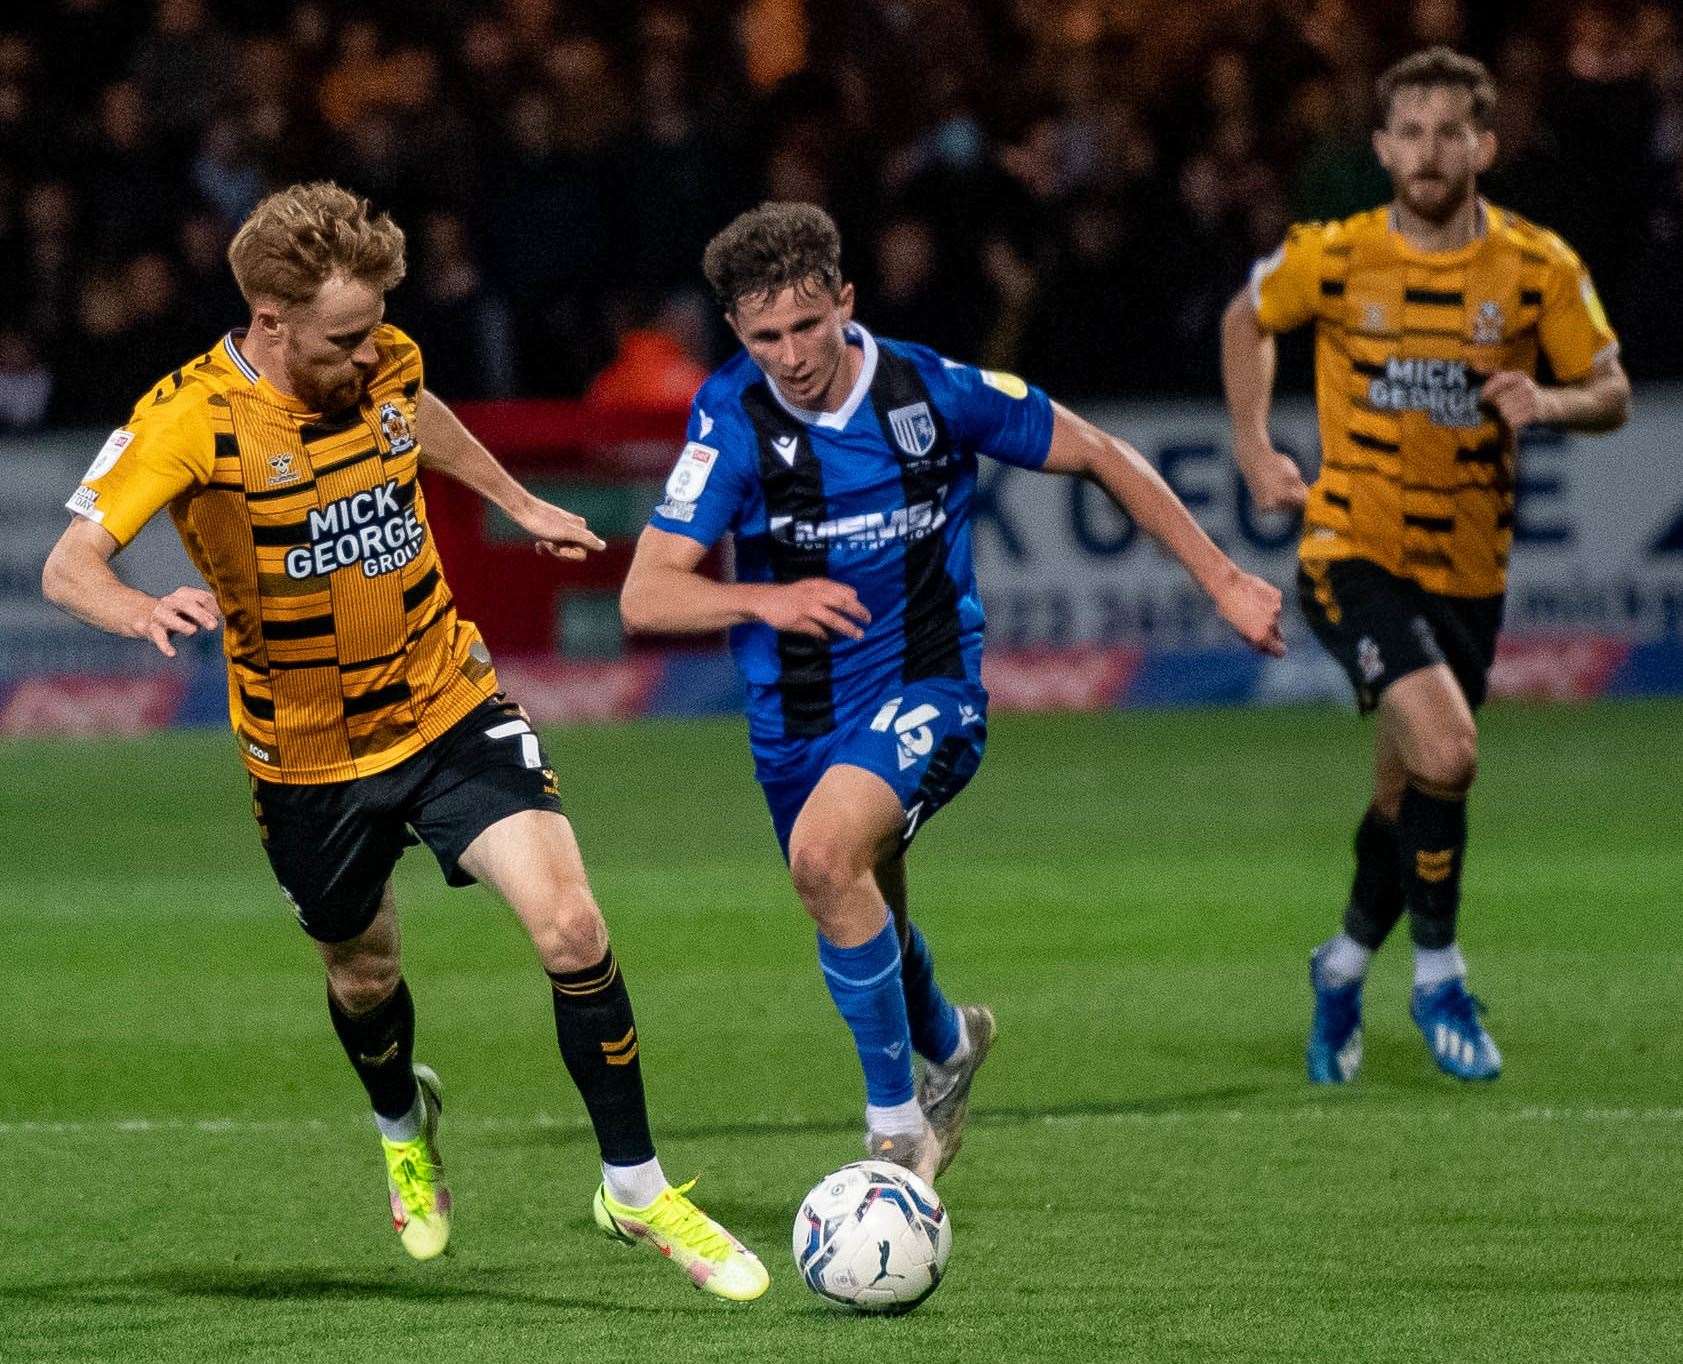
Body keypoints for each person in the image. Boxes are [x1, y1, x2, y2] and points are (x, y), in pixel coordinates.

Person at [39, 182, 768, 1301]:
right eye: (343, 338)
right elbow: (68, 562)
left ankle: (636, 1184)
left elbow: (416, 410)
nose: (369, 352)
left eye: (377, 327)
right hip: (309, 758)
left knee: (573, 924)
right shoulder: (187, 416)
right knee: (364, 967)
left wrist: (516, 500)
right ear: (270, 320)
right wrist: (138, 609)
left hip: (445, 702)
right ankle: (401, 1121)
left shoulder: (384, 355)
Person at [620, 201, 1284, 1183]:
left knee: (822, 857)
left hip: (929, 684)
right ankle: (949, 1042)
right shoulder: (730, 417)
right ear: (737, 332)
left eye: (809, 326)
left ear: (845, 301)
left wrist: (1222, 577)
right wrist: (772, 597)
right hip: (798, 720)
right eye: (766, 337)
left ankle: (896, 1132)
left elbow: (1097, 450)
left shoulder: (928, 390)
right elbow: (646, 591)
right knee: (858, 898)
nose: (793, 355)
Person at [1220, 48, 1630, 1086]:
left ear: (1484, 145)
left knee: (1409, 791)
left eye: (1452, 131)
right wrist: (1255, 442)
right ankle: (1439, 974)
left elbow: (1612, 387)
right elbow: (1246, 317)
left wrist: (1554, 402)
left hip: (1471, 572)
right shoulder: (1339, 252)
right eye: (1410, 130)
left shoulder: (1538, 267)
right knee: (1449, 751)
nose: (1430, 150)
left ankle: (1343, 960)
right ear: (1381, 147)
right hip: (1349, 548)